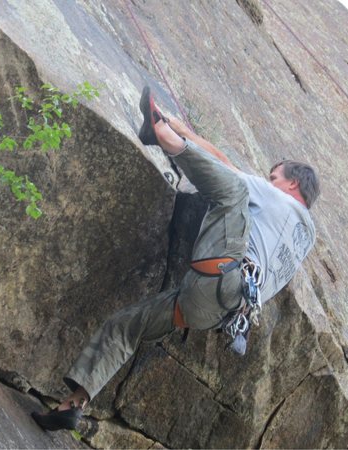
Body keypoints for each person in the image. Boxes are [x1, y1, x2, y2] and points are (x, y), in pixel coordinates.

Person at [32, 86, 319, 431]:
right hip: (214, 313)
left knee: (234, 194)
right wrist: (185, 132)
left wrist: (174, 134)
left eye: (274, 177)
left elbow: (230, 179)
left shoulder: (277, 201)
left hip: (221, 277)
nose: (268, 181)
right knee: (127, 325)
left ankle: (159, 135)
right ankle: (71, 406)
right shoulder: (302, 238)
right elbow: (226, 169)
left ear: (291, 185)